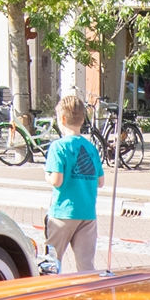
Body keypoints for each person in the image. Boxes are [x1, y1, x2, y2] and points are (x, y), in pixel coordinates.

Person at [44, 94, 103, 273]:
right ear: (83, 119)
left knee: (51, 264)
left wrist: (46, 176)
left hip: (63, 212)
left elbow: (57, 180)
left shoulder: (58, 147)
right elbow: (100, 181)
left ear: (62, 119)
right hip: (87, 213)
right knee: (86, 266)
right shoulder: (91, 147)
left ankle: (50, 298)